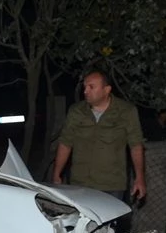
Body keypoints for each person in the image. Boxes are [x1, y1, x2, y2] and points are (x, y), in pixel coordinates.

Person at [52, 70, 146, 204]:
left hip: (111, 185)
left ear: (106, 90)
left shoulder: (126, 111)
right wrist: (57, 174)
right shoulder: (76, 111)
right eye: (85, 87)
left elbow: (136, 146)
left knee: (108, 224)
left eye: (91, 87)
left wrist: (140, 178)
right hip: (80, 184)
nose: (85, 91)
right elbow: (65, 143)